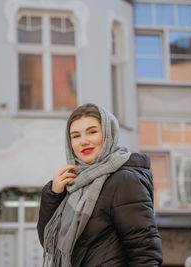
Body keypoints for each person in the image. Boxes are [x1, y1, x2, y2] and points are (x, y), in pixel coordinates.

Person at [37, 103, 163, 267]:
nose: (84, 141)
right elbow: (49, 242)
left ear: (109, 133)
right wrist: (53, 195)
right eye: (75, 136)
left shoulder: (124, 180)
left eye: (92, 132)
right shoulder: (73, 184)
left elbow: (145, 254)